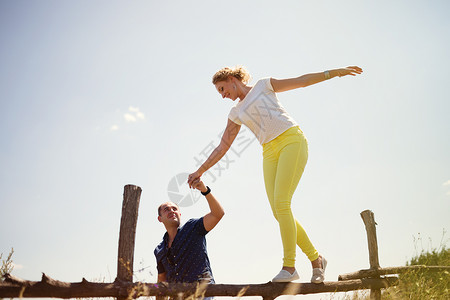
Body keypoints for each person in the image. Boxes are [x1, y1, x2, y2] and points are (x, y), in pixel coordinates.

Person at [187, 65, 363, 283]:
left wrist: (333, 73)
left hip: (291, 140)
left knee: (282, 204)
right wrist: (200, 171)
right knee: (279, 212)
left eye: (222, 89)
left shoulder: (264, 85)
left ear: (233, 79)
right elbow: (222, 147)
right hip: (269, 152)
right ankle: (316, 260)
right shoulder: (235, 112)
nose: (223, 96)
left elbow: (302, 80)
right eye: (220, 93)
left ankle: (289, 267)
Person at [154, 178, 224, 284]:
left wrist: (205, 191)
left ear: (180, 214)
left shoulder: (193, 227)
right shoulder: (159, 250)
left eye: (174, 209)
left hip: (203, 293)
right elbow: (161, 281)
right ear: (160, 219)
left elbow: (218, 214)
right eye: (166, 209)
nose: (172, 211)